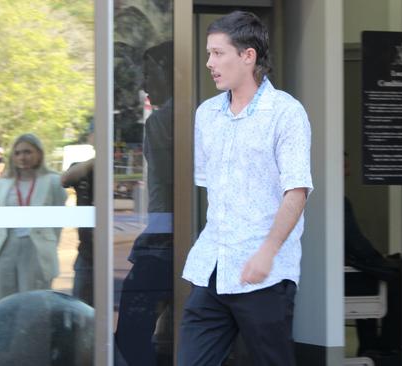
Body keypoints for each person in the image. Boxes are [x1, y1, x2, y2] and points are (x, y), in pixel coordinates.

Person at [178, 11, 312, 366]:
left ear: (248, 56)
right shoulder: (206, 114)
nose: (210, 63)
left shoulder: (286, 112)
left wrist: (267, 250)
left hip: (264, 275)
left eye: (218, 53)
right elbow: (213, 191)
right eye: (209, 53)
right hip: (212, 269)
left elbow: (296, 191)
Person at [114, 40, 174, 366]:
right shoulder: (198, 112)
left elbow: (172, 186)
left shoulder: (162, 121)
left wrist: (155, 236)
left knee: (132, 327)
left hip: (166, 239)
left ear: (167, 71)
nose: (144, 85)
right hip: (179, 235)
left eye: (149, 74)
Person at [343, 153, 402, 366]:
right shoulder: (338, 202)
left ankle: (370, 345)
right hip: (343, 277)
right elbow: (357, 245)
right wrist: (380, 260)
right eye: (345, 165)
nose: (349, 170)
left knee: (379, 273)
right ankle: (389, 348)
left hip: (334, 271)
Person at [0, 133, 67, 304]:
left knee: (33, 302)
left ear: (39, 153)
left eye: (27, 152)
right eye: (17, 153)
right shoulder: (5, 182)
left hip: (36, 247)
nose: (22, 157)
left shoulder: (53, 181)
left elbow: (58, 222)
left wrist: (48, 243)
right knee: (2, 299)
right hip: (7, 244)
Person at [61, 152, 94, 306]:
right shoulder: (84, 167)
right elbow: (64, 180)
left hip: (108, 252)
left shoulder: (113, 168)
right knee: (80, 307)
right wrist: (93, 162)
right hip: (86, 253)